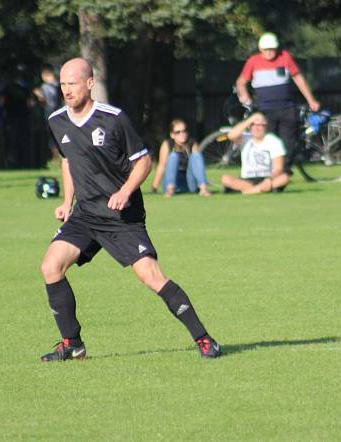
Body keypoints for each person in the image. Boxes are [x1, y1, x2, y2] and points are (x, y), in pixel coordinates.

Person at [39, 58, 221, 361]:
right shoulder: (57, 120)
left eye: (72, 83)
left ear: (89, 83)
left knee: (150, 276)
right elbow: (69, 161)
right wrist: (66, 202)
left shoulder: (113, 119)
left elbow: (144, 161)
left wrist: (125, 191)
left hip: (121, 216)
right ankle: (72, 344)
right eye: (62, 84)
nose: (66, 90)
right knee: (50, 267)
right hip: (85, 214)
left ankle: (204, 339)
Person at [235, 32, 321, 171]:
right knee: (268, 142)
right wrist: (244, 95)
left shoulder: (285, 57)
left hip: (287, 108)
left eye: (272, 49)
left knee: (288, 144)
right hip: (265, 110)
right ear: (260, 49)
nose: (269, 53)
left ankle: (283, 173)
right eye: (266, 50)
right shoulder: (253, 61)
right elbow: (241, 82)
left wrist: (311, 100)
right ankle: (268, 173)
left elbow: (299, 79)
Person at [220, 112, 290, 194]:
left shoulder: (274, 141)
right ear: (250, 126)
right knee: (225, 178)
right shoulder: (245, 138)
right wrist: (250, 119)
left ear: (265, 127)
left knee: (284, 178)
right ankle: (258, 190)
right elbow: (231, 135)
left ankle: (249, 191)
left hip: (267, 178)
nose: (257, 128)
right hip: (246, 179)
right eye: (254, 125)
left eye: (260, 125)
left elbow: (279, 168)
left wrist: (269, 179)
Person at [151, 119, 211, 197]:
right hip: (171, 180)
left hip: (189, 182)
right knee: (173, 156)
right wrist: (154, 186)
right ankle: (170, 189)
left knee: (196, 155)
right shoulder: (167, 144)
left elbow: (198, 165)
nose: (182, 134)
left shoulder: (192, 143)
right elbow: (161, 166)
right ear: (172, 134)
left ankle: (203, 189)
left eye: (184, 131)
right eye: (178, 132)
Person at [33, 63, 63, 161]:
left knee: (52, 138)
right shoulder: (60, 85)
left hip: (50, 114)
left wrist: (38, 95)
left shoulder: (44, 87)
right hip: (61, 114)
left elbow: (44, 102)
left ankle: (56, 158)